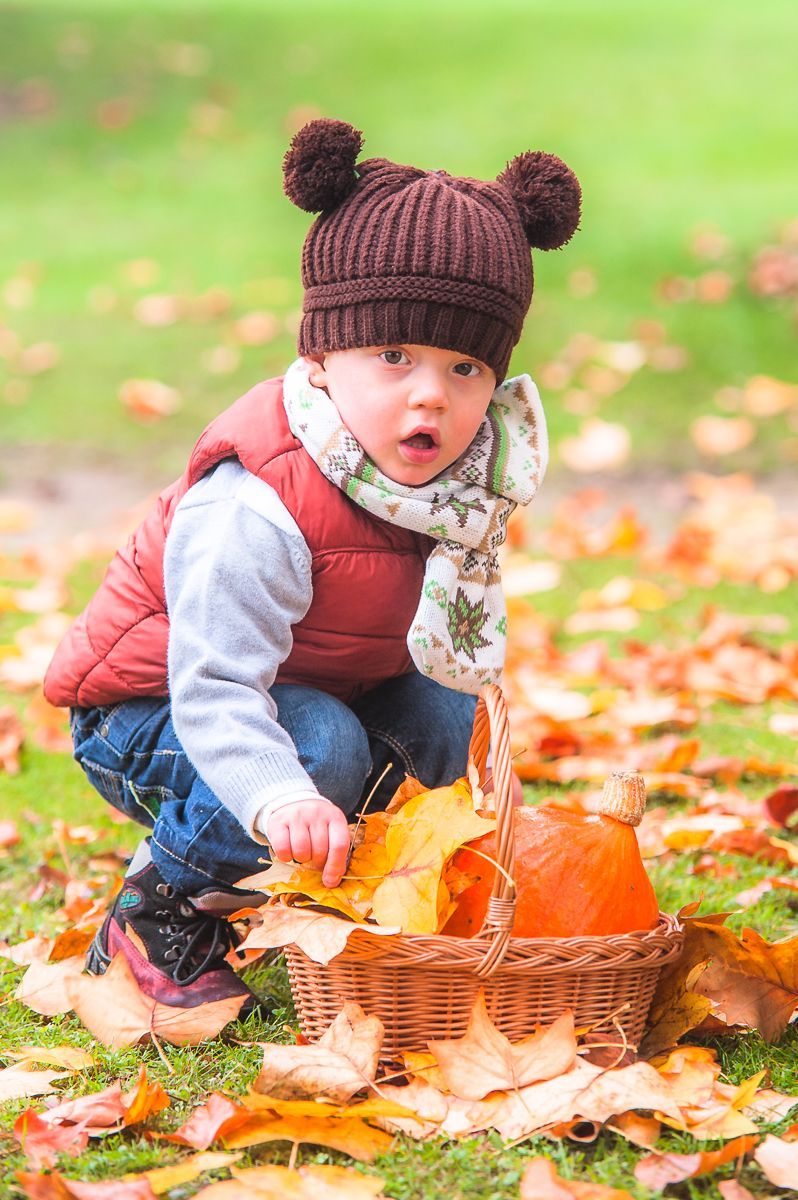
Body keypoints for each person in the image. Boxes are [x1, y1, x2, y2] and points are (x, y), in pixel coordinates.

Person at [43, 118, 581, 1013]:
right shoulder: (257, 503)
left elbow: (452, 653)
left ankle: (361, 886)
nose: (430, 395)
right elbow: (214, 685)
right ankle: (157, 909)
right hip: (153, 711)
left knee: (444, 707)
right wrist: (282, 794)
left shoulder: (456, 489)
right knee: (320, 746)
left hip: (308, 690)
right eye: (393, 355)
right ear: (321, 357)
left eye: (465, 367)